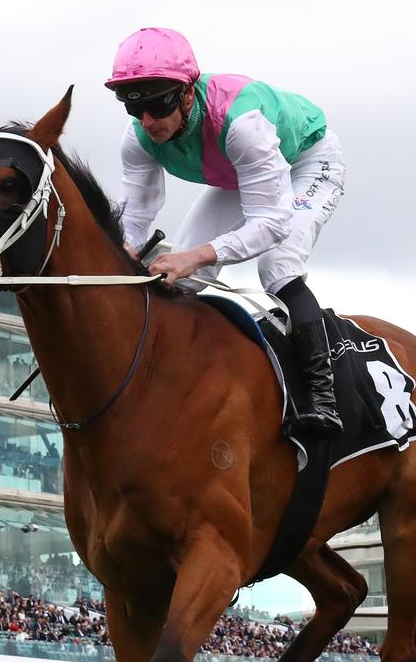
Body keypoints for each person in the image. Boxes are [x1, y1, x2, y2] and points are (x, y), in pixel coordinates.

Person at [107, 27, 347, 436]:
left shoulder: (242, 125)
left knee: (278, 266)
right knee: (184, 281)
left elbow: (272, 223)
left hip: (307, 161)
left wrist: (196, 256)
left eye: (158, 105)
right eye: (135, 108)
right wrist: (122, 252)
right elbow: (135, 217)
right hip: (241, 175)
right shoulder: (139, 138)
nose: (148, 121)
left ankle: (322, 398)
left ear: (186, 93)